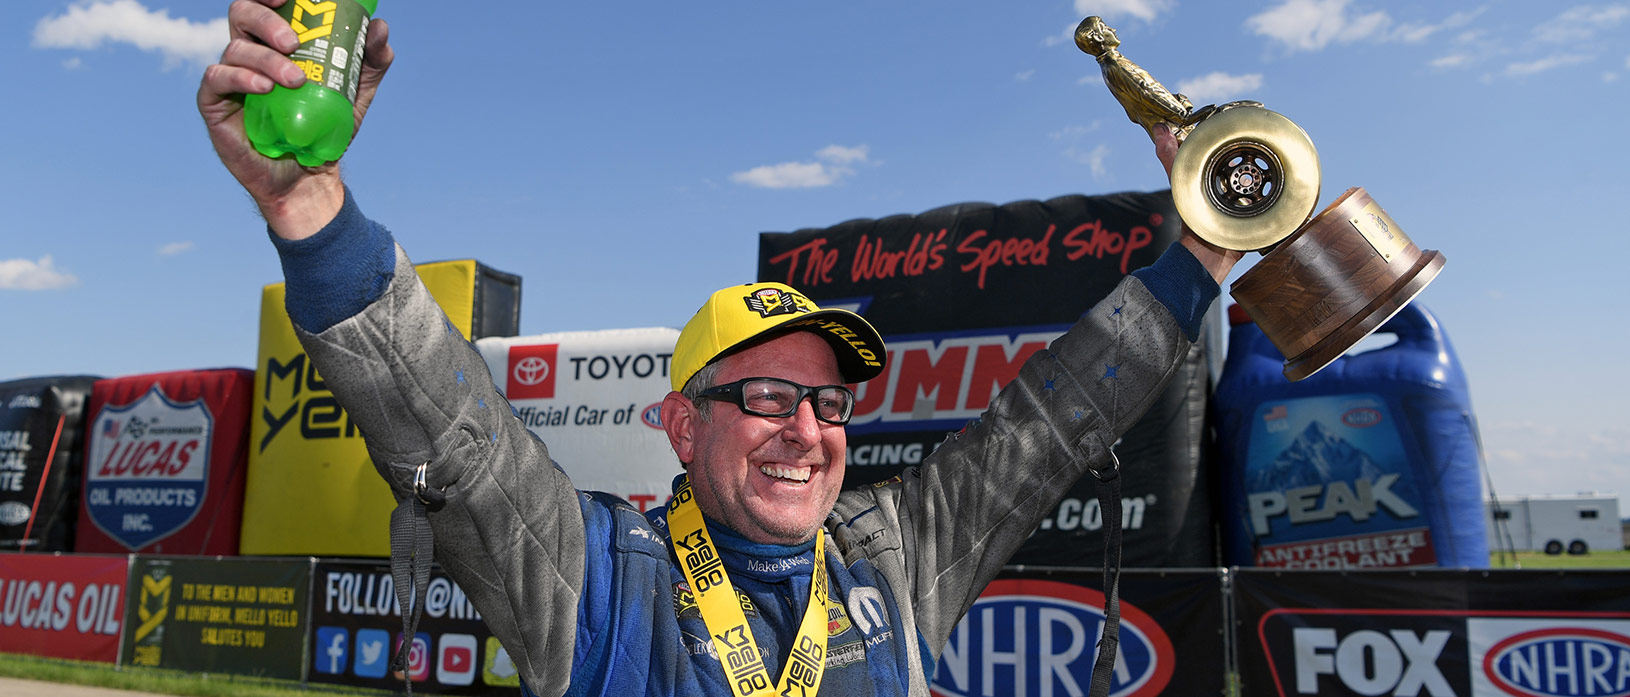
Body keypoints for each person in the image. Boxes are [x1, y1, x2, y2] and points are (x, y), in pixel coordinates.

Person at [199, 2, 1242, 695]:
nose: (806, 432)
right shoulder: (595, 574)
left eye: (828, 404)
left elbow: (1052, 423)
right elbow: (449, 432)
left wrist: (1198, 250)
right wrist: (311, 209)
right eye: (766, 398)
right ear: (682, 423)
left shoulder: (895, 554)